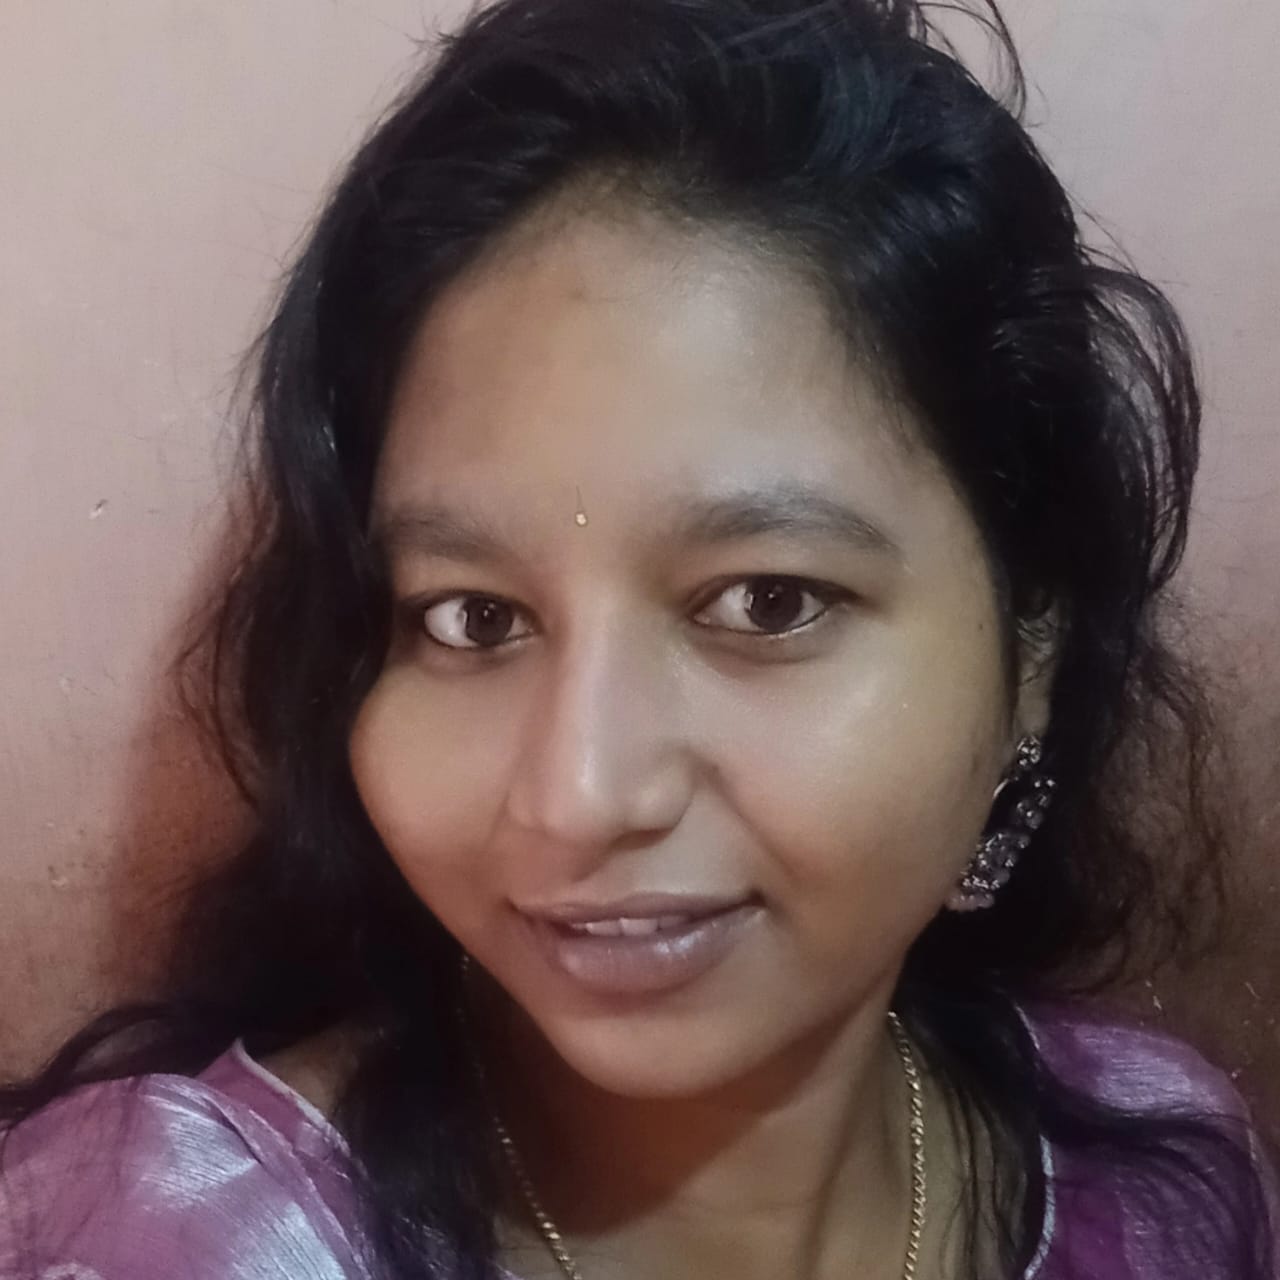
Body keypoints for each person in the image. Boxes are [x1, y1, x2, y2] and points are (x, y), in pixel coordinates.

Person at [1, 0, 1275, 1276]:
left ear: (1029, 655)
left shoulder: (1163, 1197)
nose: (578, 795)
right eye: (471, 616)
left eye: (765, 601)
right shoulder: (175, 1240)